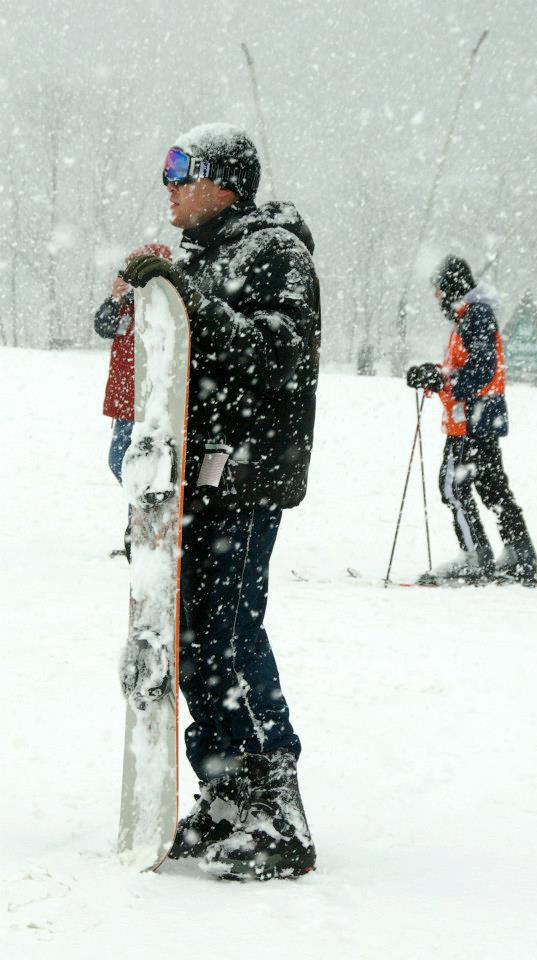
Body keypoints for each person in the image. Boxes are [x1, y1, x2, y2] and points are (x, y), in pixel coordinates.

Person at [121, 123, 320, 880]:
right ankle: (224, 789)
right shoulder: (208, 255)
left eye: (182, 171)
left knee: (231, 635)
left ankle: (275, 805)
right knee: (195, 641)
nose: (169, 184)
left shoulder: (276, 253)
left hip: (242, 479)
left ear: (224, 180)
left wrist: (192, 298)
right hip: (192, 484)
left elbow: (279, 357)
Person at [406, 254, 537, 585]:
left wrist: (443, 380)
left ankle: (475, 556)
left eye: (438, 289)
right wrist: (434, 374)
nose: (436, 297)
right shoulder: (470, 316)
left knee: (453, 486)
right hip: (481, 418)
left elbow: (483, 370)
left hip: (472, 420)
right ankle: (519, 555)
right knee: (491, 487)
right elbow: (468, 369)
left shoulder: (475, 316)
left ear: (451, 286)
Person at [94, 244, 172, 556]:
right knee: (121, 461)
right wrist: (115, 298)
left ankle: (140, 533)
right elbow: (102, 326)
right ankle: (138, 528)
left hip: (152, 405)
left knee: (141, 468)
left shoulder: (165, 309)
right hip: (127, 402)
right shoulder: (125, 306)